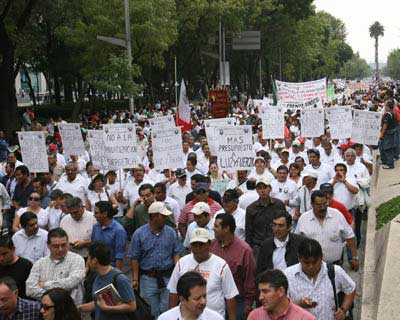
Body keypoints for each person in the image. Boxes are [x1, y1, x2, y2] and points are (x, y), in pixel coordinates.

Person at [168, 228, 239, 319]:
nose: (198, 248)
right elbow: (173, 293)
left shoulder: (221, 265)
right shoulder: (181, 263)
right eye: (194, 245)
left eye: (201, 244)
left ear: (209, 244)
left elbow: (230, 297)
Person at [128, 201, 182, 318]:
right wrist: (135, 279)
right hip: (148, 278)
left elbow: (176, 252)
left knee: (167, 310)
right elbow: (134, 258)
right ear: (154, 216)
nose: (165, 218)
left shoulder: (171, 232)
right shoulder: (139, 234)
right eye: (163, 216)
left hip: (167, 277)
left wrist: (178, 273)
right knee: (150, 311)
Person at [284, 238, 356, 320]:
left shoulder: (335, 272)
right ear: (299, 258)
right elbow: (281, 304)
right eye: (306, 263)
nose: (311, 266)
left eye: (314, 262)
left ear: (321, 257)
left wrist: (343, 309)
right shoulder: (288, 275)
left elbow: (351, 289)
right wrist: (300, 303)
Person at [295, 191, 359, 270]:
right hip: (311, 267)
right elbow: (296, 241)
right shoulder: (303, 219)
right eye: (319, 205)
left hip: (334, 265)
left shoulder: (337, 215)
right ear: (312, 205)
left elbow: (350, 237)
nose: (322, 208)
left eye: (325, 204)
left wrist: (355, 257)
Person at [211, 213, 256, 319]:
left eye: (216, 226)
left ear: (226, 228)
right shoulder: (211, 246)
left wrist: (248, 304)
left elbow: (250, 279)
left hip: (238, 301)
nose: (213, 229)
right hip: (215, 299)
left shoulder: (244, 250)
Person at [26, 228, 86, 304]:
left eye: (63, 245)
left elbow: (71, 282)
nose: (60, 249)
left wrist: (45, 284)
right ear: (48, 245)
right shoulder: (39, 264)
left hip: (71, 310)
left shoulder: (77, 260)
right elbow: (30, 290)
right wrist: (54, 298)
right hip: (46, 310)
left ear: (68, 243)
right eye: (56, 246)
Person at [78, 242, 136, 320]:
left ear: (95, 260)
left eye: (88, 258)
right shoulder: (97, 276)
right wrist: (78, 308)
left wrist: (107, 308)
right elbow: (98, 303)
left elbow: (132, 306)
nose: (87, 262)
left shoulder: (120, 279)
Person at [247, 269, 316, 320]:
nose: (260, 297)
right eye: (260, 292)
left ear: (281, 291)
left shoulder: (305, 318)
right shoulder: (254, 316)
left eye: (265, 291)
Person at [245, 178, 285, 263]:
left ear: (270, 188)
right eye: (260, 188)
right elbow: (248, 231)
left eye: (265, 187)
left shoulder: (279, 204)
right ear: (256, 190)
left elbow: (285, 224)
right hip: (258, 247)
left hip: (277, 244)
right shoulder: (251, 208)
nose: (262, 190)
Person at [158, 271, 223, 320]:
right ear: (182, 299)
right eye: (197, 298)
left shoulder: (216, 318)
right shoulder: (165, 318)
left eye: (204, 296)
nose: (203, 302)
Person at [92, 201, 127, 270]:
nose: (94, 215)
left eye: (96, 213)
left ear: (105, 214)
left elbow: (119, 255)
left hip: (110, 269)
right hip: (96, 268)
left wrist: (116, 277)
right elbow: (92, 248)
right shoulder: (96, 227)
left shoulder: (119, 230)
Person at [379, 99, 398, 169]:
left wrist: (382, 134)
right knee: (385, 147)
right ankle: (385, 161)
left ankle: (390, 164)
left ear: (387, 106)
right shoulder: (393, 113)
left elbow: (385, 125)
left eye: (385, 106)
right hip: (392, 132)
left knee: (388, 148)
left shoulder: (388, 114)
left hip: (388, 133)